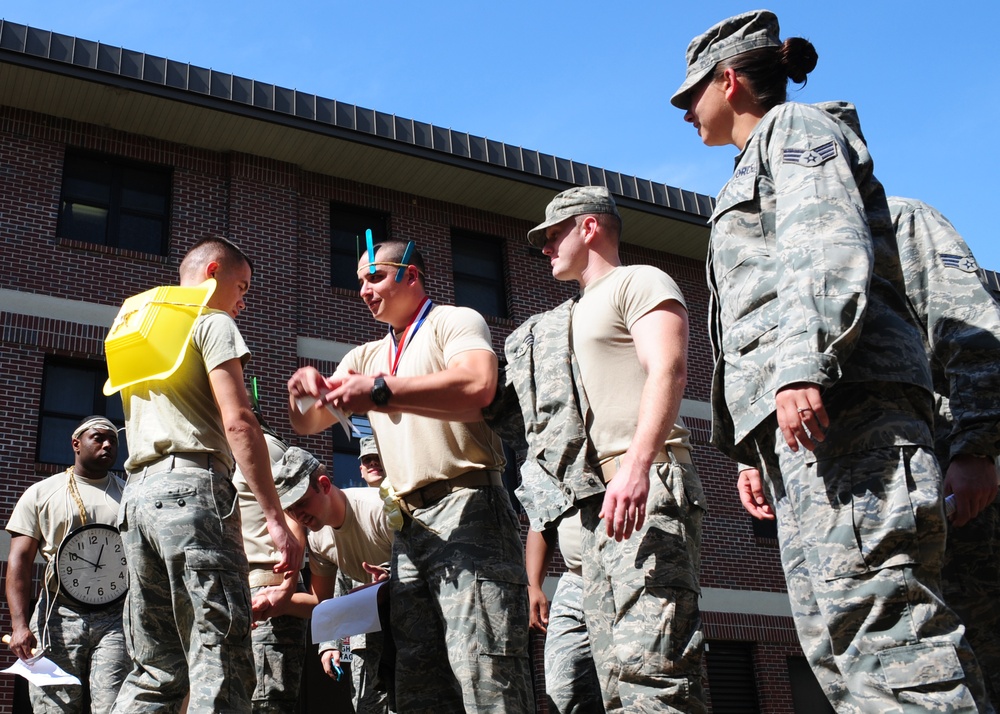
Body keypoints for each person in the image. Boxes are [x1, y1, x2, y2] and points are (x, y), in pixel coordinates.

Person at [672, 10, 991, 711]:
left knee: (887, 631)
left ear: (731, 80)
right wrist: (754, 447)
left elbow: (824, 244)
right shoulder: (748, 169)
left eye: (691, 93)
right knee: (841, 644)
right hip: (803, 432)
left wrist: (800, 367)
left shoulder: (793, 130)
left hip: (850, 412)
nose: (686, 112)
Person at [738, 190, 1000, 710]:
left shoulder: (894, 219)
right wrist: (752, 455)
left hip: (926, 457)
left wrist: (978, 449)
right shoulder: (767, 248)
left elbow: (973, 329)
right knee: (848, 659)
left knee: (943, 650)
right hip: (815, 476)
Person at [287, 239, 532, 712]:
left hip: (469, 510)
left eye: (375, 275)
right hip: (408, 528)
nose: (363, 289)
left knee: (486, 670)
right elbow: (310, 421)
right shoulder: (363, 356)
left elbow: (479, 384)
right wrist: (302, 394)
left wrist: (380, 391)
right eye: (358, 279)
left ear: (411, 275)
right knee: (419, 681)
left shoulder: (454, 322)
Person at [512, 185, 706, 712]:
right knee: (617, 682)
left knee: (656, 671)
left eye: (553, 236)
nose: (546, 249)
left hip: (645, 486)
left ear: (590, 226)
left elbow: (667, 368)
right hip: (594, 507)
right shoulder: (562, 320)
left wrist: (639, 465)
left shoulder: (639, 282)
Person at [111, 236, 302, 713]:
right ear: (213, 272)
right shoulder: (211, 320)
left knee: (156, 669)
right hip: (192, 494)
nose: (243, 301)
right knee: (222, 656)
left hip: (135, 498)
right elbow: (239, 421)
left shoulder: (139, 324)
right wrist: (277, 520)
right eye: (242, 287)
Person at [5, 416, 130, 713]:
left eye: (113, 440)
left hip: (116, 617)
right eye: (98, 437)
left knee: (115, 706)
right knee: (54, 707)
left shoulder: (129, 495)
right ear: (76, 443)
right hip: (57, 614)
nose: (108, 444)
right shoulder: (42, 492)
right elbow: (19, 561)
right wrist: (20, 624)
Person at [257, 446, 395, 714]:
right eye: (291, 510)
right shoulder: (318, 538)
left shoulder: (379, 509)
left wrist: (392, 578)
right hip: (370, 637)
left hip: (416, 626)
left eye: (302, 503)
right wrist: (277, 600)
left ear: (323, 484)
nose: (299, 516)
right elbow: (320, 601)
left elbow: (427, 570)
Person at [234, 404, 308, 713]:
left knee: (266, 705)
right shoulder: (226, 452)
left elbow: (294, 514)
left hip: (266, 588)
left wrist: (287, 587)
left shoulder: (265, 446)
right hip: (237, 590)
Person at [526, 510, 604, 714]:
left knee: (632, 687)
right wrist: (533, 584)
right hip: (574, 582)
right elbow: (542, 514)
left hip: (624, 577)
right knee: (563, 691)